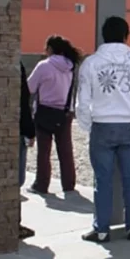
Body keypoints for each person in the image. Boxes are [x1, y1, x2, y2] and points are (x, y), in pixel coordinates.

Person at [76, 16, 130, 243]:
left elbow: (82, 100)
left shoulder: (91, 63)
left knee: (103, 180)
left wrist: (88, 125)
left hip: (102, 126)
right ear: (126, 36)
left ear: (103, 35)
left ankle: (102, 229)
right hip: (129, 125)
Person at [27, 36, 81, 195]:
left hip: (45, 111)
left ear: (50, 49)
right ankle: (69, 184)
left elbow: (29, 87)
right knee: (65, 151)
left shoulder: (43, 66)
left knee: (44, 152)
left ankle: (41, 185)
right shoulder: (70, 67)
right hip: (65, 113)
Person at [19, 62, 36, 240]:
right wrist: (29, 131)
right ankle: (14, 223)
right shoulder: (18, 66)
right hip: (15, 128)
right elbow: (23, 99)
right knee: (16, 179)